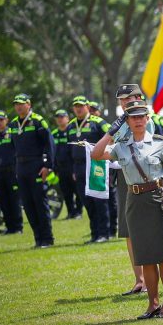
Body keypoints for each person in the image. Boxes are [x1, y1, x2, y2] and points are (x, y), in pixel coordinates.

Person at [91, 100, 163, 319]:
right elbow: (95, 155)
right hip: (135, 200)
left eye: (142, 116)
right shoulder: (121, 145)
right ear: (127, 121)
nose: (138, 120)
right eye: (133, 117)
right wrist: (110, 133)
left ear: (148, 119)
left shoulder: (159, 142)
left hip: (158, 199)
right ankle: (153, 304)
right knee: (145, 255)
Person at [110, 84, 154, 296]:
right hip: (124, 178)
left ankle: (149, 280)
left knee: (144, 230)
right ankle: (139, 280)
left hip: (144, 182)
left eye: (128, 99)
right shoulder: (120, 124)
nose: (124, 103)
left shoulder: (147, 121)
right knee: (128, 230)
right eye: (122, 100)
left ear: (138, 97)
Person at [9, 93, 55, 248]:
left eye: (21, 103)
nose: (18, 106)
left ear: (28, 104)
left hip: (36, 165)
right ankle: (38, 239)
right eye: (16, 104)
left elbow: (49, 145)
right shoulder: (13, 124)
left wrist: (48, 166)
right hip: (21, 168)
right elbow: (11, 148)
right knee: (27, 204)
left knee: (39, 203)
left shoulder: (38, 121)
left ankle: (47, 239)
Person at [67, 95, 112, 243]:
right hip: (79, 168)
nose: (78, 108)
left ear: (87, 107)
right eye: (76, 106)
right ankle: (94, 234)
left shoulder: (98, 122)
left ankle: (104, 234)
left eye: (81, 105)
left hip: (95, 166)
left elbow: (111, 139)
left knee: (99, 201)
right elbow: (69, 149)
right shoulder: (71, 126)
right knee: (87, 202)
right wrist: (73, 169)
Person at [0, 110, 22, 233]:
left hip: (11, 172)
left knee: (14, 200)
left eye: (1, 120)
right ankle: (9, 227)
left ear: (6, 120)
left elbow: (18, 153)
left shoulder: (12, 134)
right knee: (3, 200)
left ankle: (18, 227)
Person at [52, 109, 81, 219]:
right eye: (58, 117)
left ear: (67, 118)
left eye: (62, 117)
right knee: (66, 192)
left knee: (77, 190)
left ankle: (78, 212)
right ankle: (70, 212)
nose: (60, 119)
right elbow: (52, 152)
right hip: (61, 168)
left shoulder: (72, 130)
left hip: (72, 166)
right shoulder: (54, 134)